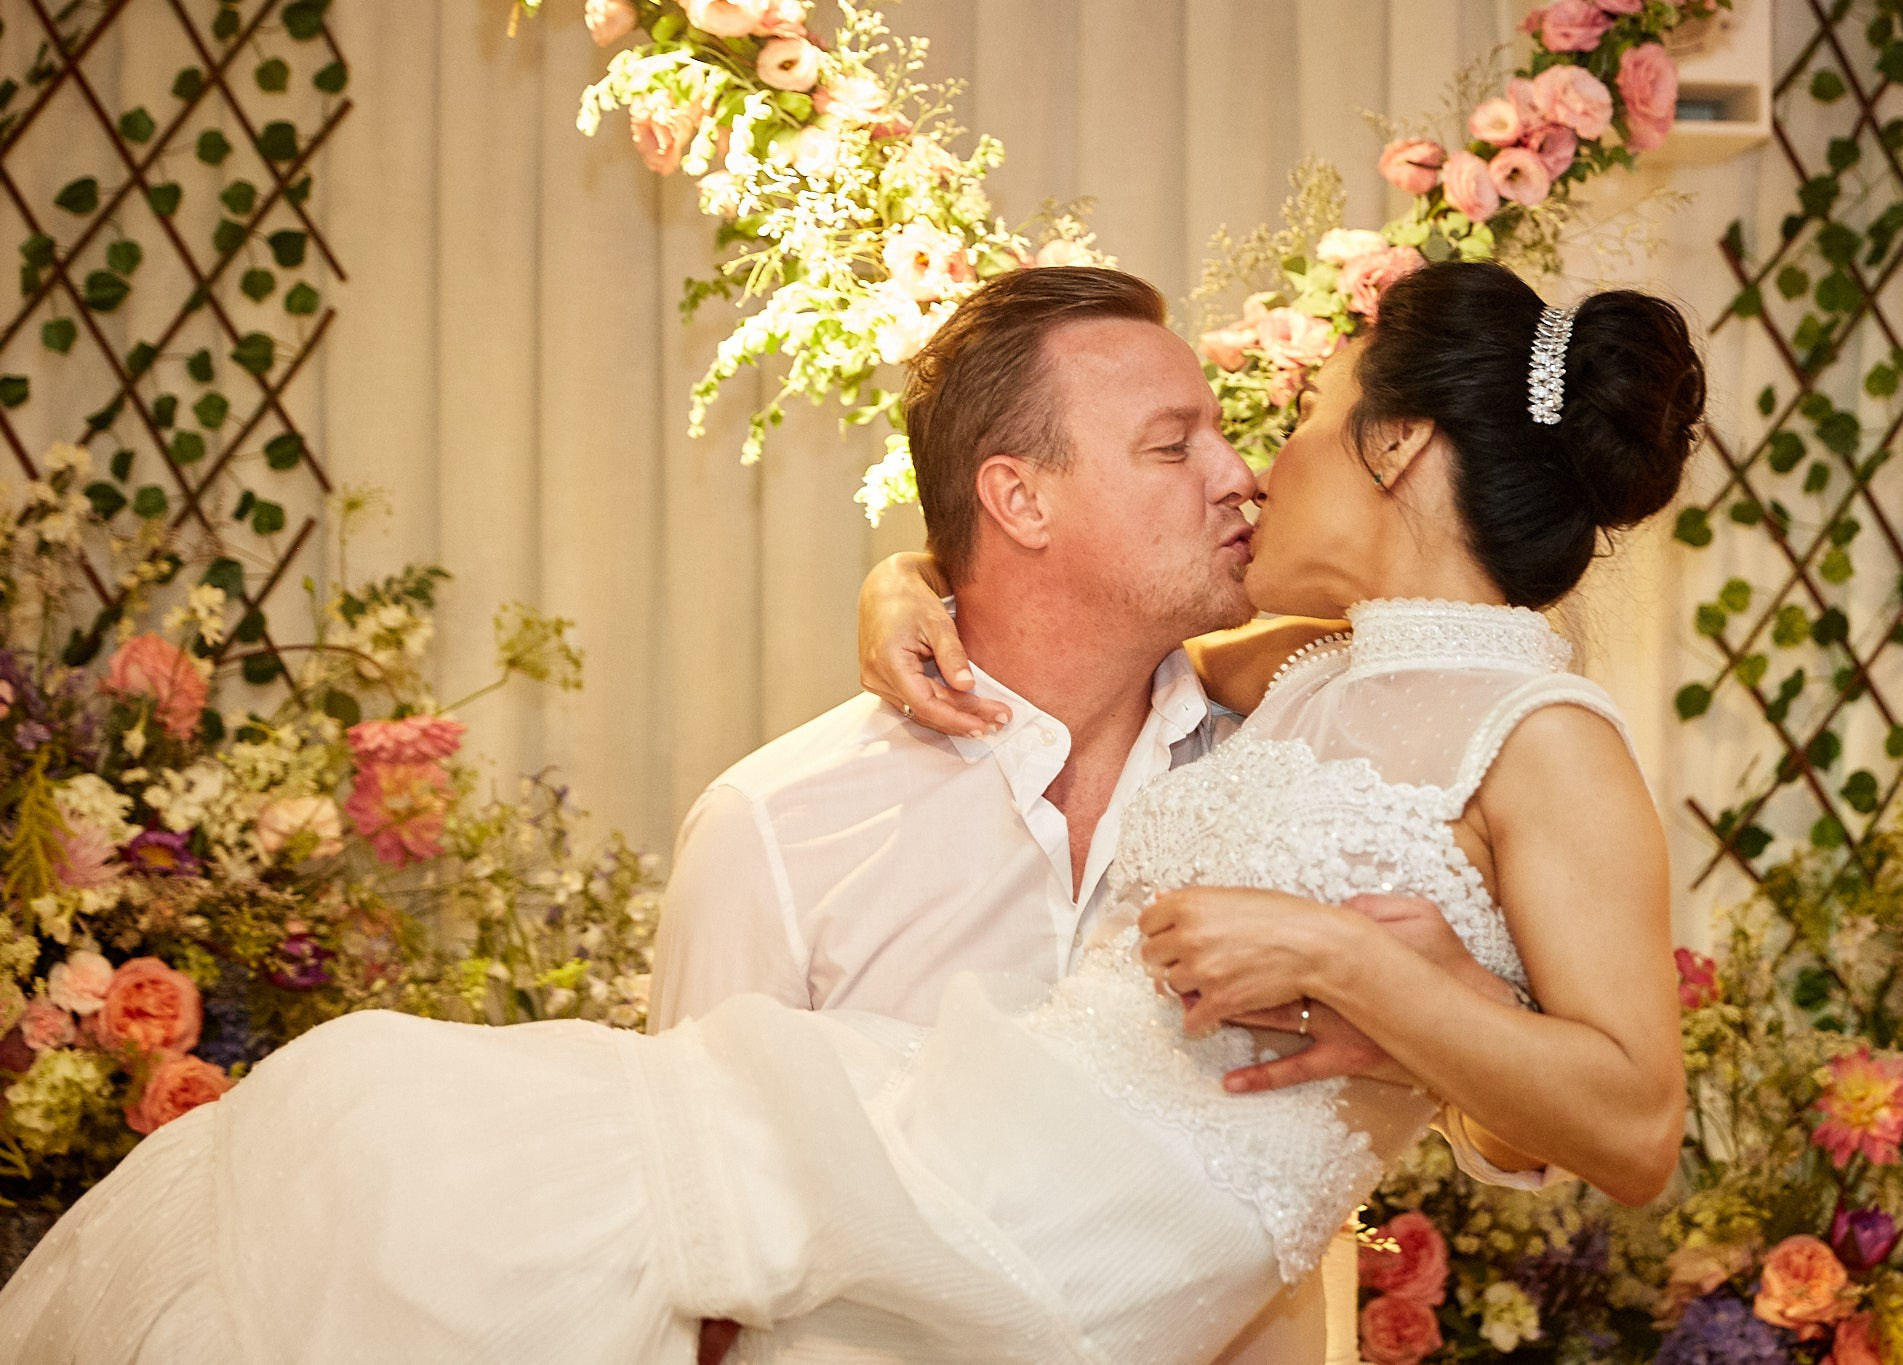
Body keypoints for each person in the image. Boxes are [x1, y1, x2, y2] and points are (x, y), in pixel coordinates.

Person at [0, 260, 1696, 1365]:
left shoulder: (1549, 738)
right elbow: (1044, 620)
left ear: (1396, 450)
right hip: (948, 1159)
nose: (1260, 466)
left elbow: (1618, 1128)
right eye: (1194, 442)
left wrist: (1380, 978)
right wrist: (902, 586)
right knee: (382, 1153)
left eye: (1302, 419)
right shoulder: (1305, 670)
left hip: (1077, 1274)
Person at [652, 266, 1531, 1364]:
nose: (1240, 476)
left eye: (1225, 434)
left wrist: (1418, 1012)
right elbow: (694, 1254)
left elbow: (1512, 1130)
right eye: (1174, 447)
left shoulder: (1304, 765)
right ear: (1019, 500)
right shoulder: (775, 829)